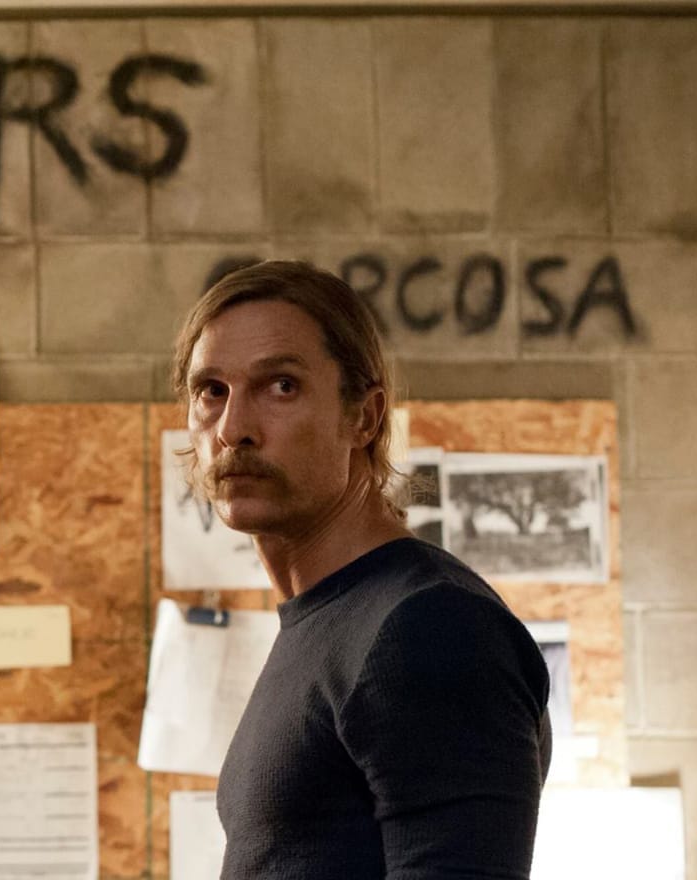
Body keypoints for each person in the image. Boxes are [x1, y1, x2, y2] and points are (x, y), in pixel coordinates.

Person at [171, 260, 551, 879]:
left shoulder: (428, 626)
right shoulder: (327, 620)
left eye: (282, 386)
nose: (234, 429)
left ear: (365, 417)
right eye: (211, 391)